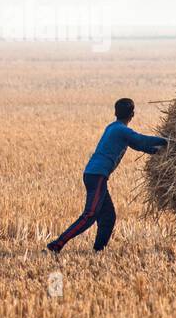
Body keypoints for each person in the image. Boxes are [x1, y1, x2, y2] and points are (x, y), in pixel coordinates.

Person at [47, 98, 167, 254]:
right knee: (90, 215)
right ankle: (57, 244)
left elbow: (139, 145)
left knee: (108, 217)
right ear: (132, 114)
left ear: (115, 112)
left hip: (94, 175)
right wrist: (167, 141)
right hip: (97, 176)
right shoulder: (121, 130)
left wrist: (162, 153)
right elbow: (141, 140)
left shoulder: (114, 128)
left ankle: (98, 251)